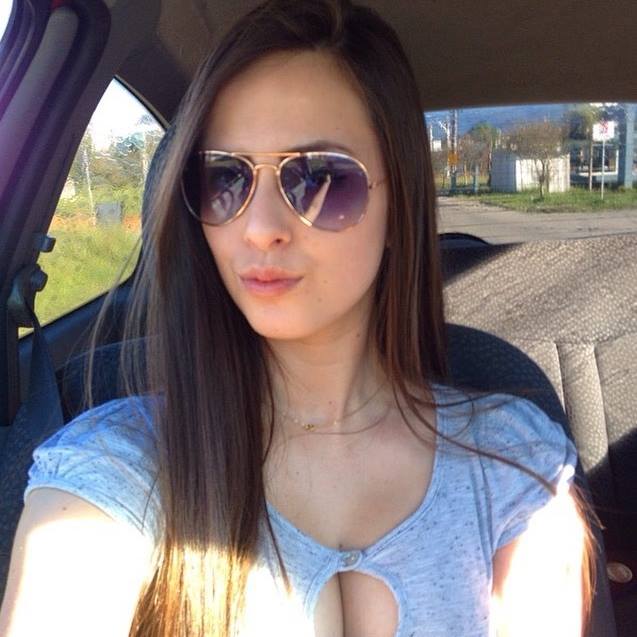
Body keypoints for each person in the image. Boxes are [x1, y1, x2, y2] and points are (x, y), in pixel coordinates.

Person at [0, 1, 597, 635]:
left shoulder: (513, 465)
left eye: (318, 179)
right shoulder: (112, 469)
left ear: (400, 203)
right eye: (225, 178)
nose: (259, 228)